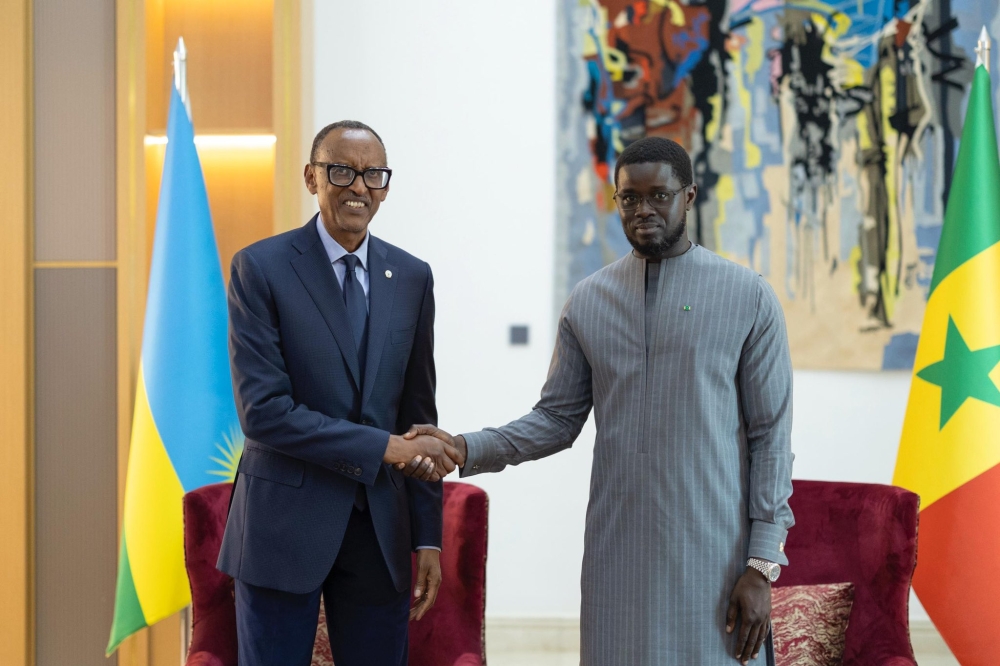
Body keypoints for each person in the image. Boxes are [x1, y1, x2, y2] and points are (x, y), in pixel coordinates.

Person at [405, 137, 795, 665]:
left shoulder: (748, 297)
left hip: (716, 555)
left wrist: (761, 564)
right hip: (619, 555)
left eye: (659, 196)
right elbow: (555, 420)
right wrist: (463, 447)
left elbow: (770, 436)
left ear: (689, 197)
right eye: (629, 198)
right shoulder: (589, 300)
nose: (643, 211)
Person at [217, 120, 462, 666]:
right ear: (312, 177)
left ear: (386, 184)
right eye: (342, 171)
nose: (359, 187)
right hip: (282, 528)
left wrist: (428, 536)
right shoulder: (260, 268)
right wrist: (382, 447)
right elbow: (265, 414)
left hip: (380, 532)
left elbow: (419, 414)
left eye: (373, 174)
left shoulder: (413, 276)